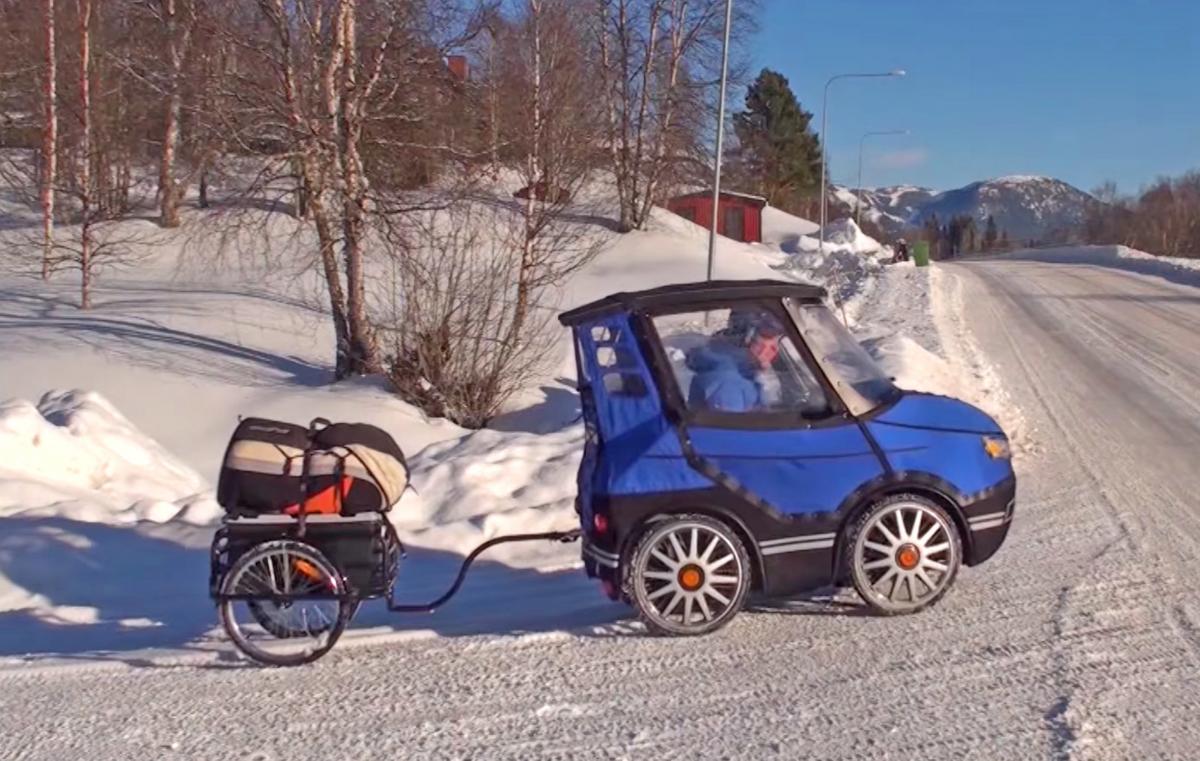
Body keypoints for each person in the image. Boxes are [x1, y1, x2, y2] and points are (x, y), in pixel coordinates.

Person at [686, 311, 783, 412]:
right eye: (763, 345)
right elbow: (729, 426)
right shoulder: (728, 383)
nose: (771, 352)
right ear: (746, 339)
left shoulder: (740, 372)